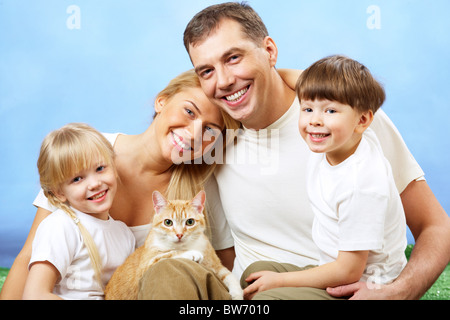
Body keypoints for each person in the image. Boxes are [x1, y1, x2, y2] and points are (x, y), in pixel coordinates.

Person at [141, 2, 450, 300]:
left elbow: (435, 225)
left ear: (269, 51)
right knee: (168, 272)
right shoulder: (213, 138)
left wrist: (400, 292)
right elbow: (221, 253)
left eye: (234, 58)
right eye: (206, 71)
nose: (223, 81)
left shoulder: (346, 119)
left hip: (330, 286)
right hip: (256, 284)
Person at [0, 70, 240, 300]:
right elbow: (30, 256)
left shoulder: (198, 192)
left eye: (210, 129)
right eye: (189, 111)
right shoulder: (87, 154)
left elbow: (218, 266)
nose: (195, 133)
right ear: (162, 102)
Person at [243, 55, 408, 299]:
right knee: (256, 272)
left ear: (362, 120)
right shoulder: (343, 138)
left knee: (268, 295)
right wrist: (266, 72)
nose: (314, 120)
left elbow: (349, 270)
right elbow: (299, 84)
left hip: (361, 285)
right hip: (335, 267)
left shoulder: (362, 184)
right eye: (307, 109)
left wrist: (281, 280)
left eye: (330, 110)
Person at [22, 123, 136, 300]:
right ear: (59, 192)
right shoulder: (61, 226)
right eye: (77, 179)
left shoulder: (124, 234)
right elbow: (35, 295)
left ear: (113, 165)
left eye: (100, 168)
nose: (94, 183)